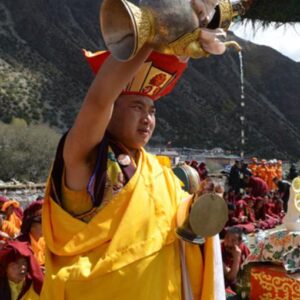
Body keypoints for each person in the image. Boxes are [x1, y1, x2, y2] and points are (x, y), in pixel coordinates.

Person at [41, 2, 230, 298]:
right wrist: (154, 32)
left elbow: (176, 229)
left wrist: (198, 209)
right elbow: (98, 100)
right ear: (112, 111)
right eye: (137, 107)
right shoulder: (85, 158)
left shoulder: (157, 171)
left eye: (152, 110)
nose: (148, 119)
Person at [221, 226, 250, 292]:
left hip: (239, 278)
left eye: (233, 240)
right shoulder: (219, 250)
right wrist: (237, 258)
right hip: (226, 280)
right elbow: (230, 277)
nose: (228, 243)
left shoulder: (243, 248)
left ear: (240, 242)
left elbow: (250, 267)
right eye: (227, 239)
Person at [17, 200, 45, 266]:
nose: (45, 227)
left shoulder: (44, 241)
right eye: (41, 223)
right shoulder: (21, 244)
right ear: (31, 226)